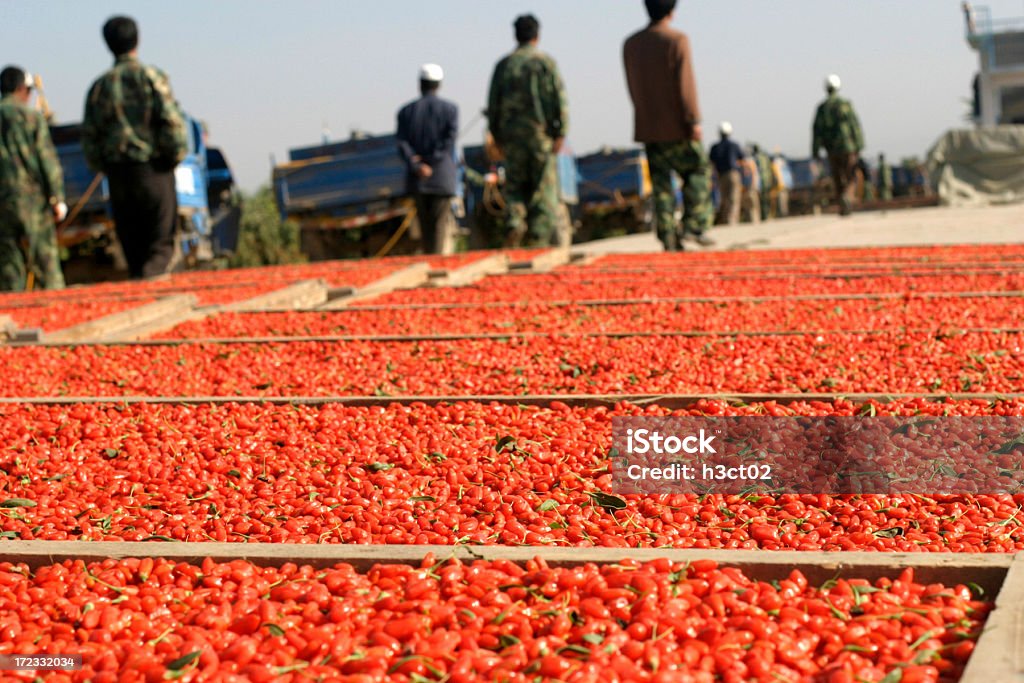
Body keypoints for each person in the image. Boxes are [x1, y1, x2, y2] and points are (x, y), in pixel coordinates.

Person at [82, 15, 188, 279]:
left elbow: (90, 137)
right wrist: (172, 158)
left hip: (118, 176)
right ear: (136, 40)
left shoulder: (99, 87)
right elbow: (172, 122)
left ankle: (141, 288)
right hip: (152, 170)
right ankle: (153, 292)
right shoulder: (150, 77)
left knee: (134, 248)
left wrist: (104, 166)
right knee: (160, 246)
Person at [624, 0, 713, 250]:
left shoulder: (631, 45)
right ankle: (693, 225)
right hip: (678, 126)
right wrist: (693, 120)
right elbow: (685, 84)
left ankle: (668, 237)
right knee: (698, 170)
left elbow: (633, 85)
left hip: (649, 127)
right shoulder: (676, 40)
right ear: (671, 12)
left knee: (661, 184)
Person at [486, 14, 568, 248]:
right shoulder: (545, 63)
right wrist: (561, 133)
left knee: (515, 186)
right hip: (540, 137)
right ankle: (539, 237)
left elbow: (493, 106)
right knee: (542, 189)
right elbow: (559, 101)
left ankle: (514, 222)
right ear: (537, 36)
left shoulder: (504, 66)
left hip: (512, 139)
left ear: (516, 35)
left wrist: (497, 136)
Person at [0, 66, 67, 291]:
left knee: (9, 269)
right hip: (32, 201)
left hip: (2, 205)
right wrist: (57, 197)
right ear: (21, 89)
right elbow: (46, 160)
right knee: (46, 265)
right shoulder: (30, 117)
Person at [396, 64, 459, 255]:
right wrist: (432, 163)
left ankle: (430, 258)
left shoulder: (406, 112)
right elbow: (449, 142)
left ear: (420, 84)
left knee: (425, 225)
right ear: (438, 84)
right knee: (439, 224)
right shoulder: (450, 110)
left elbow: (402, 142)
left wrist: (418, 165)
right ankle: (436, 260)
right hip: (440, 176)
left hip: (418, 178)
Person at [812, 73, 864, 216]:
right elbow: (855, 125)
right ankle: (847, 197)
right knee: (851, 175)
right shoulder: (845, 104)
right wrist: (859, 145)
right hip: (848, 147)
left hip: (831, 148)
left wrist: (815, 151)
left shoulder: (822, 108)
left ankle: (843, 207)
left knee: (837, 177)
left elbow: (816, 130)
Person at [708, 121, 744, 225]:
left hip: (720, 175)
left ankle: (725, 220)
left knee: (724, 198)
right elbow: (742, 160)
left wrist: (711, 177)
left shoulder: (715, 147)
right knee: (734, 198)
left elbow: (711, 164)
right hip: (733, 174)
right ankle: (731, 221)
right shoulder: (734, 145)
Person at [752, 144, 774, 220]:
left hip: (760, 181)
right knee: (767, 199)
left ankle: (764, 216)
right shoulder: (765, 157)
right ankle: (768, 215)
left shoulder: (756, 158)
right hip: (767, 179)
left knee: (762, 200)